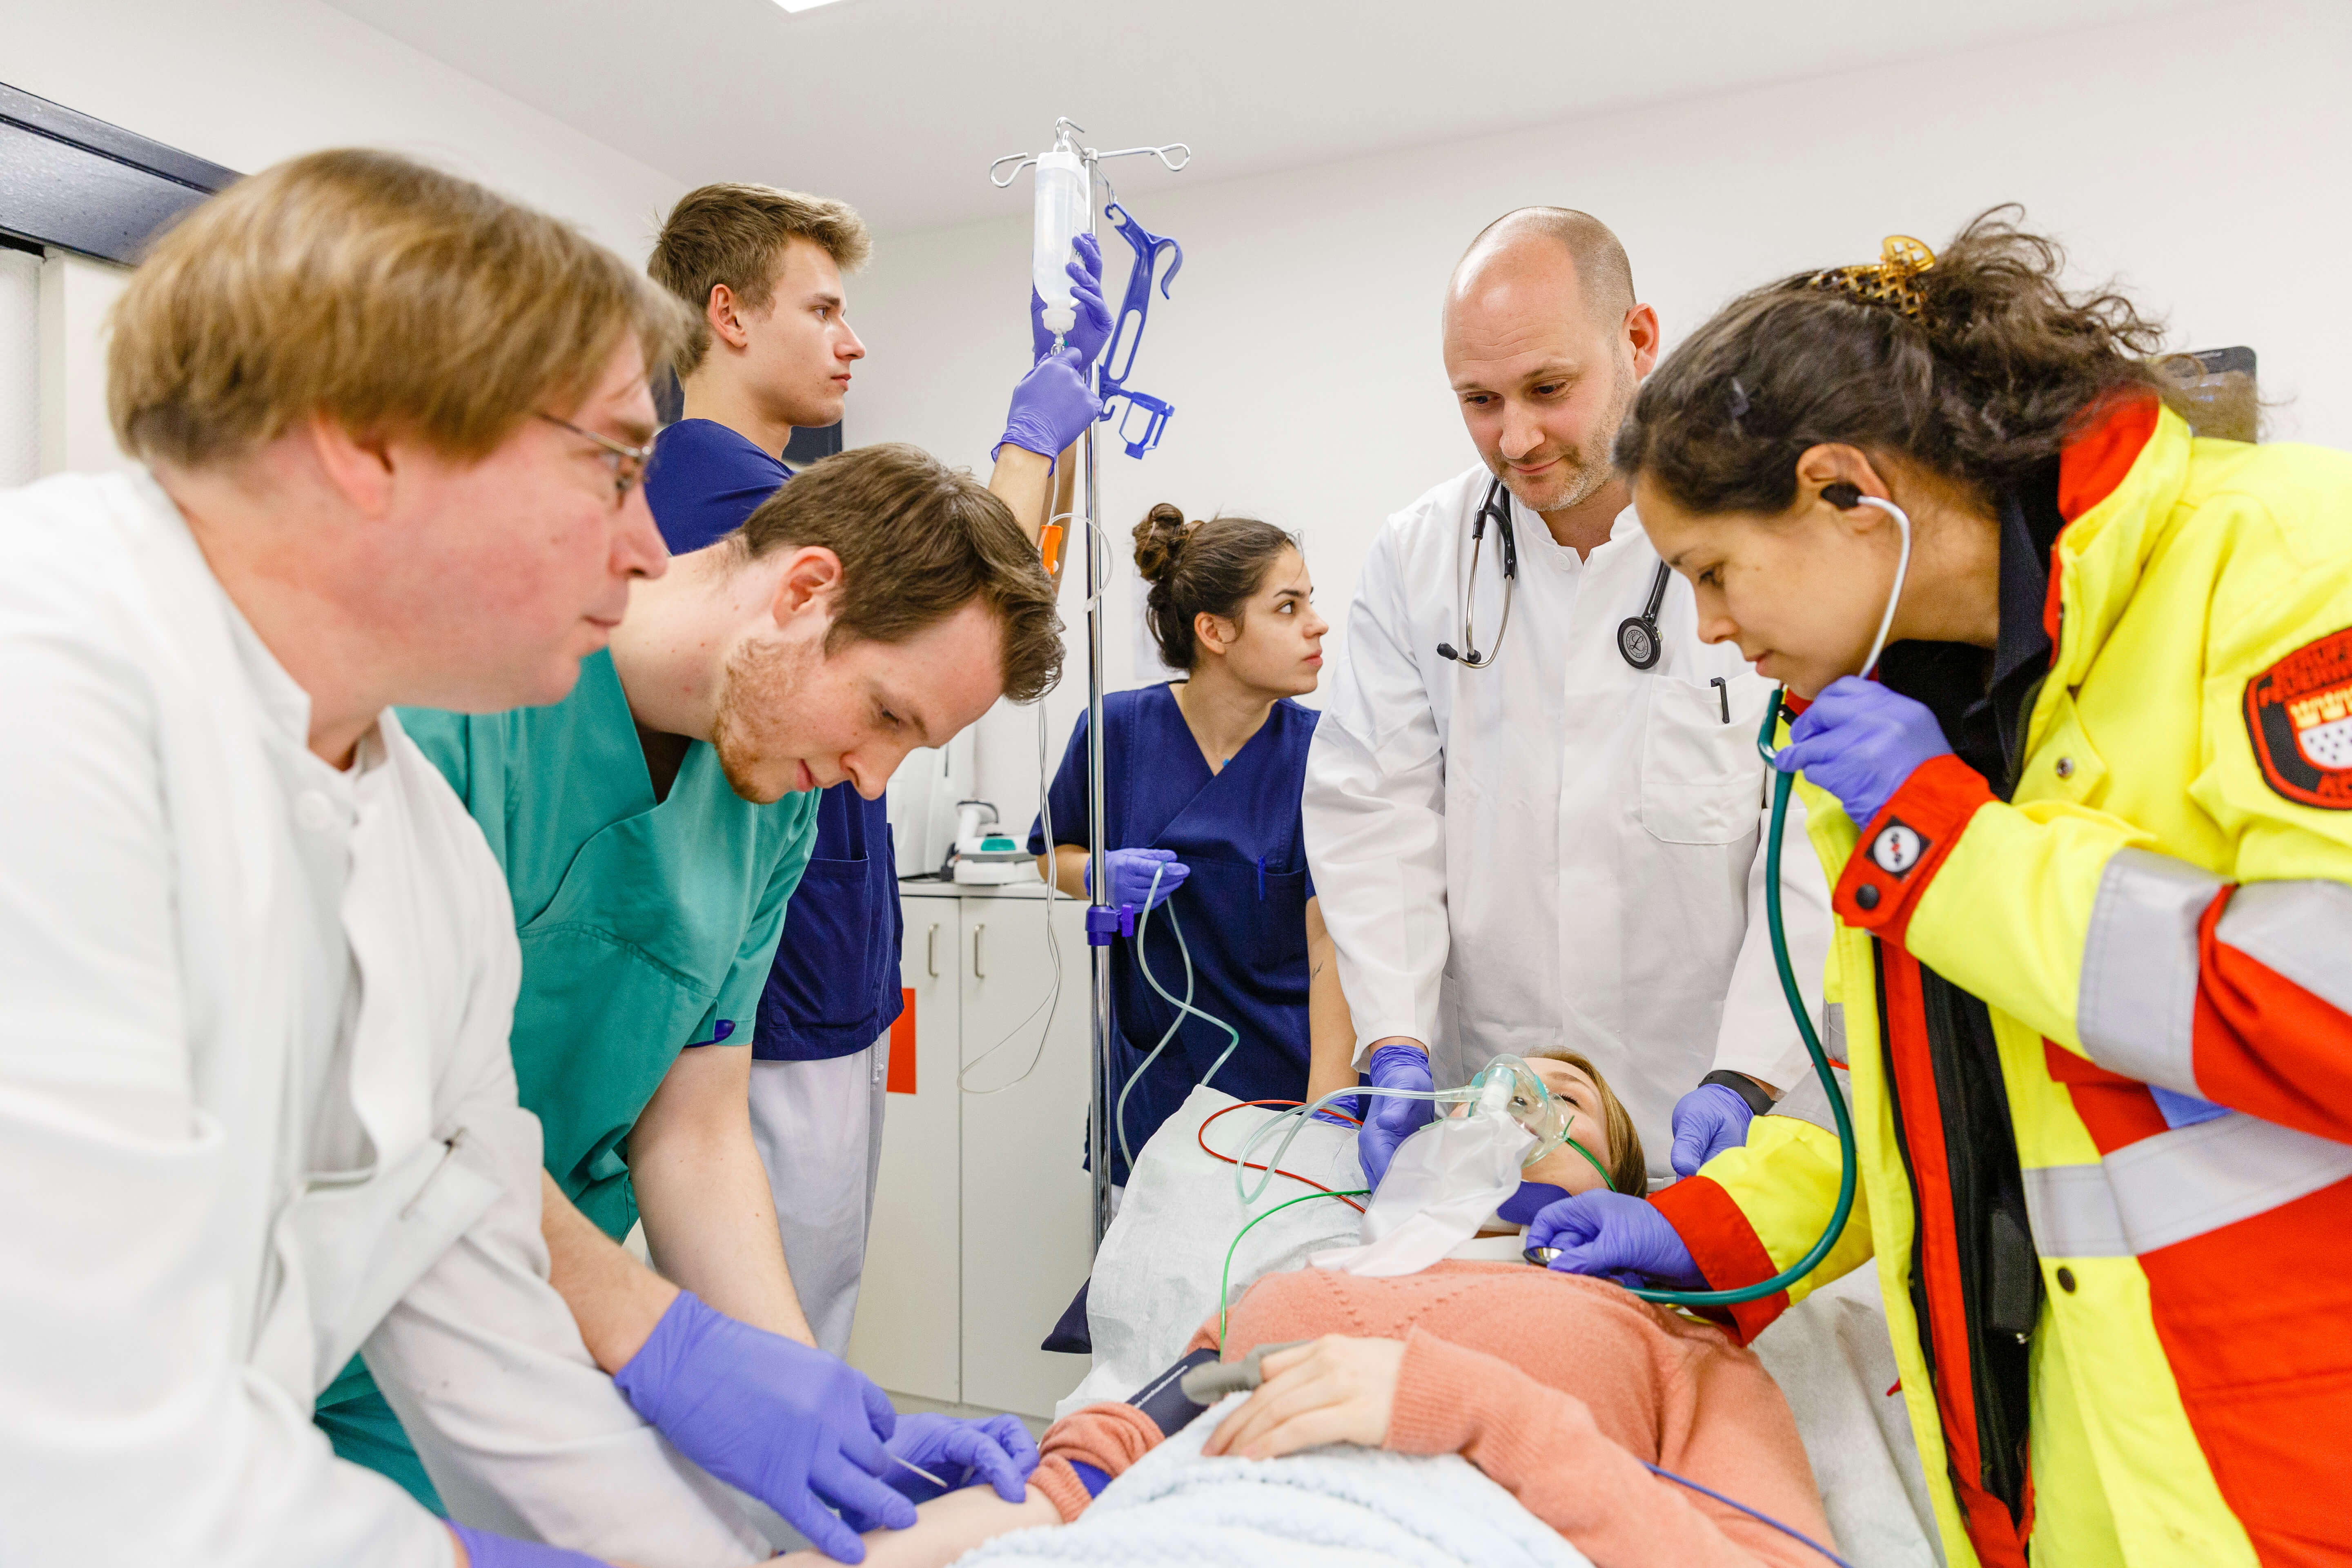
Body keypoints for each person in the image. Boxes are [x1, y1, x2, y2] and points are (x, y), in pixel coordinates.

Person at [0, 147, 1017, 1568]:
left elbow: (464, 1272)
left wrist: (688, 1541)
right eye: (612, 461)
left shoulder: (409, 834)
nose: (653, 538)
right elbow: (84, 1454)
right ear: (370, 438)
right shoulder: (47, 687)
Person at [1542, 211, 2352, 1566]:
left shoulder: (2276, 561)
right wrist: (1714, 1227)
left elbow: (2326, 1004)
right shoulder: (1881, 722)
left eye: (1712, 572)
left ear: (1847, 493)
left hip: (2291, 1440)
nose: (1714, 632)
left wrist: (1952, 846)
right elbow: (1935, 1083)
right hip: (2061, 1457)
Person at [316, 438, 1061, 1543]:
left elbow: (697, 1125)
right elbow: (396, 1113)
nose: (874, 778)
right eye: (890, 717)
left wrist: (807, 1398)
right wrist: (669, 1345)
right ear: (806, 591)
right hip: (313, 1304)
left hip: (503, 1319)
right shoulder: (462, 705)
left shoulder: (772, 801)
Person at [759, 1053, 1837, 1568]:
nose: (1516, 1104)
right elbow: (1094, 1466)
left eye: (1565, 1099)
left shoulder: (1664, 1328)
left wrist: (1477, 1409)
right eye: (1496, 1087)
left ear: (1630, 1174)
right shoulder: (1309, 1273)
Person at [638, 183, 1108, 1355]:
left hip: (820, 969)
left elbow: (967, 624)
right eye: (824, 309)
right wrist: (1027, 440)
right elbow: (959, 599)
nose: (853, 343)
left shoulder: (787, 512)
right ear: (729, 314)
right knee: (764, 1309)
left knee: (814, 1301)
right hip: (771, 1003)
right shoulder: (716, 490)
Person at [1302, 207, 1832, 1196]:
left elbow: (1814, 833)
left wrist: (1751, 1069)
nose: (1515, 436)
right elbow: (1374, 812)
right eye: (1478, 400)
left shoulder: (1761, 539)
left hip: (1727, 1117)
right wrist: (1397, 1044)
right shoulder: (1421, 559)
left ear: (1637, 341)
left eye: (1549, 389)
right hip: (1499, 1116)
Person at [1031, 506, 1347, 1185]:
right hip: (1154, 1084)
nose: (1317, 624)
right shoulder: (1117, 731)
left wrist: (1329, 1106)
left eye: (1309, 603)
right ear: (1215, 632)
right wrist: (1098, 875)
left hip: (1282, 1088)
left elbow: (1331, 944)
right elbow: (1050, 854)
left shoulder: (1322, 753)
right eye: (1288, 608)